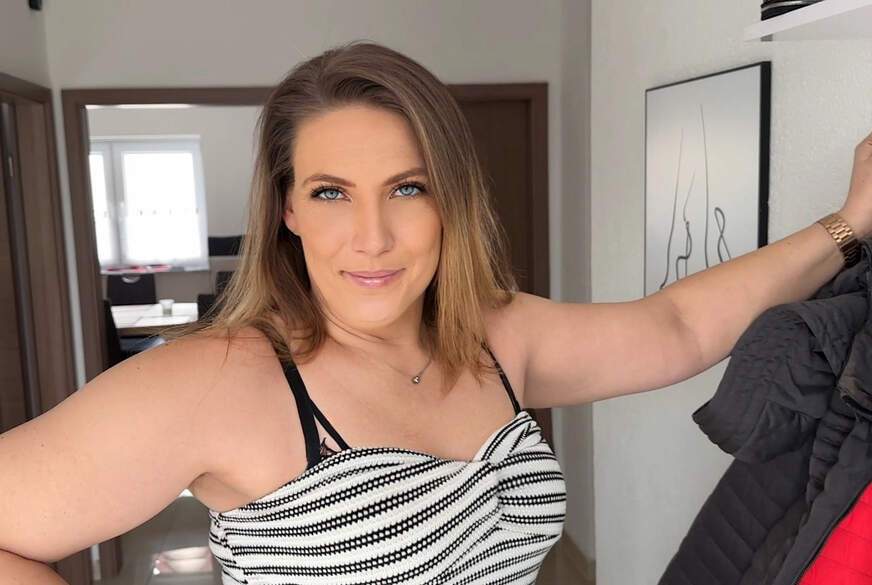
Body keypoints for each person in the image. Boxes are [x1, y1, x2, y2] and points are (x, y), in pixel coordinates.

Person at [1, 40, 870, 585]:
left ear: (450, 199)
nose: (372, 236)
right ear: (287, 208)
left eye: (407, 188)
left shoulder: (498, 335)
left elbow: (675, 327)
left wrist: (851, 222)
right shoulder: (221, 379)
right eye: (331, 192)